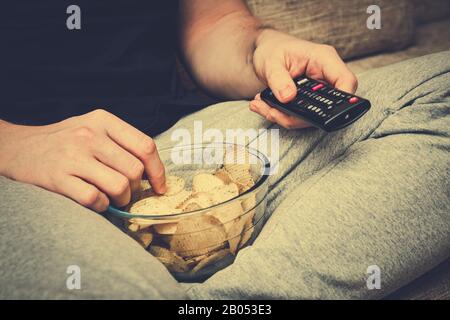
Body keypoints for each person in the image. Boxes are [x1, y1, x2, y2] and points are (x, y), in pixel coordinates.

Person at [0, 1, 448, 299]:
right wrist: (15, 143)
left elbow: (213, 23)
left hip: (181, 138)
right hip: (26, 174)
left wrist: (262, 47)